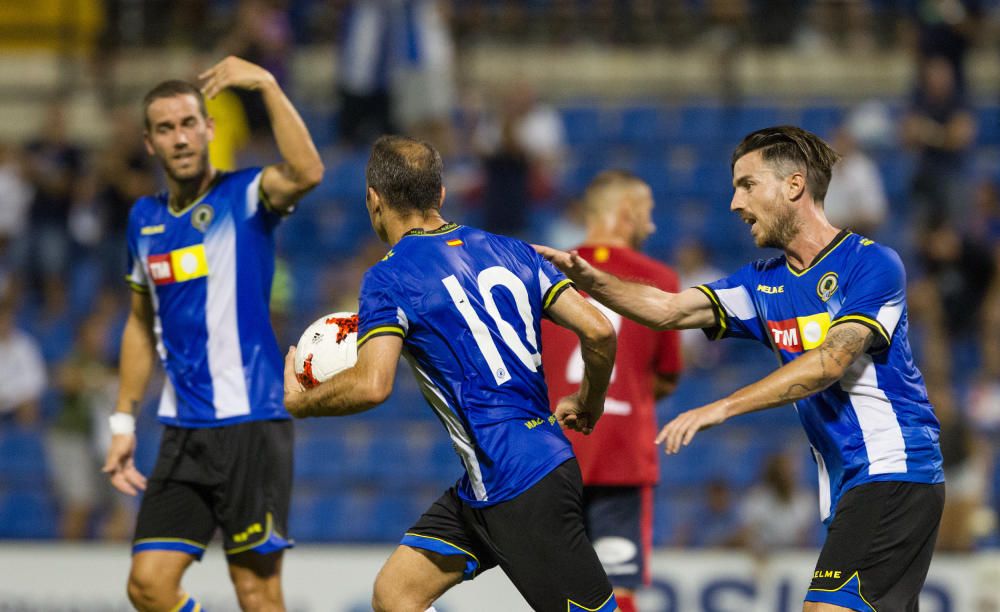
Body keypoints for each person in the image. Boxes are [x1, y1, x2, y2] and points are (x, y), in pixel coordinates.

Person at [537, 125, 945, 612]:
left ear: (793, 186)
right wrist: (595, 282)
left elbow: (829, 362)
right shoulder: (762, 283)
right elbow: (670, 310)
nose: (734, 202)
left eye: (747, 185)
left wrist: (722, 407)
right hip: (853, 482)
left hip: (894, 466)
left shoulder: (871, 264)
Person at [283, 135, 620, 612]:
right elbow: (600, 331)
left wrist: (300, 403)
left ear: (373, 201)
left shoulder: (389, 276)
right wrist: (590, 402)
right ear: (440, 194)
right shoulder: (513, 249)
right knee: (396, 596)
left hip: (518, 482)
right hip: (499, 476)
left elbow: (372, 384)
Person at [101, 56, 323, 612]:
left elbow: (307, 172)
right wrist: (124, 420)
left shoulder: (245, 196)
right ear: (150, 143)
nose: (179, 137)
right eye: (165, 127)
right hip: (182, 431)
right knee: (148, 585)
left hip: (251, 421)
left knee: (256, 590)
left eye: (188, 123)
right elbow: (137, 321)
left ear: (209, 129)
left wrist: (268, 84)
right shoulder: (143, 220)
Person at [539, 170, 681, 612]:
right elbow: (666, 377)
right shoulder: (660, 281)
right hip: (622, 457)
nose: (652, 226)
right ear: (627, 214)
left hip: (551, 455)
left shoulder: (541, 271)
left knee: (555, 593)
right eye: (648, 214)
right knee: (617, 593)